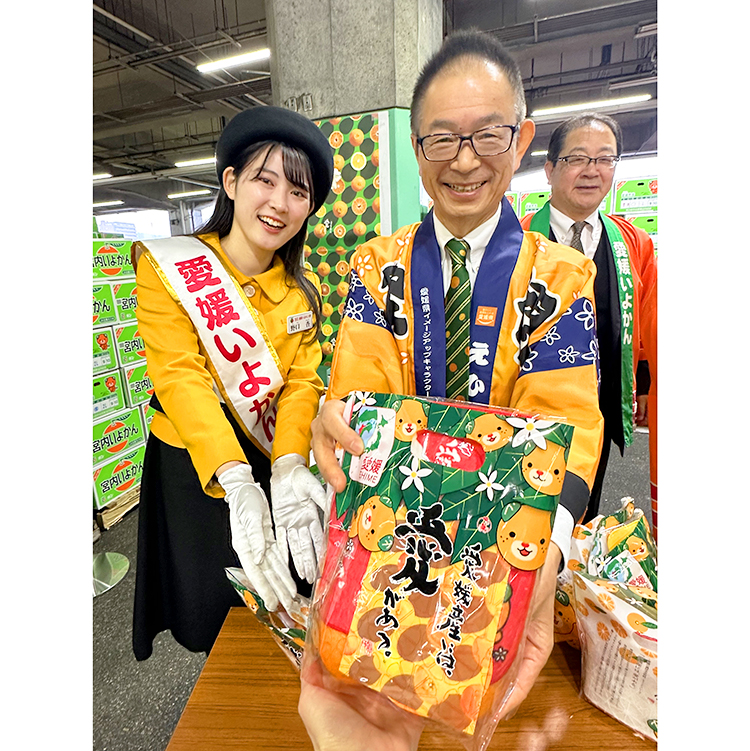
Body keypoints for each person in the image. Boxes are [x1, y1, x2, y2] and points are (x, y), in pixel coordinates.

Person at [303, 29, 604, 748]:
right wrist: (332, 423)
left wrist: (545, 559)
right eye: (442, 140)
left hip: (503, 564)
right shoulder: (375, 271)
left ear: (523, 138)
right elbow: (361, 394)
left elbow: (569, 433)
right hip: (394, 559)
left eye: (487, 135)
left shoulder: (560, 281)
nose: (464, 161)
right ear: (416, 149)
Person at [131, 106, 333, 660]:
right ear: (231, 182)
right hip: (198, 462)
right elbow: (179, 376)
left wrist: (289, 462)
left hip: (273, 455)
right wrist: (236, 477)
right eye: (264, 181)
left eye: (298, 191)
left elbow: (300, 382)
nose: (279, 203)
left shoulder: (302, 289)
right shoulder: (172, 266)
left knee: (282, 594)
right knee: (214, 609)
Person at [519, 113, 657, 521]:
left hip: (603, 396)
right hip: (538, 399)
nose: (591, 171)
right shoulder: (520, 237)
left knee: (587, 500)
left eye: (605, 159)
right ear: (550, 169)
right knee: (529, 505)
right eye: (577, 158)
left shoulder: (633, 242)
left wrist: (643, 386)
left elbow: (642, 322)